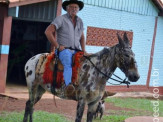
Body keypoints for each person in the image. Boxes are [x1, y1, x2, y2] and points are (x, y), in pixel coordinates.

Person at [45, 0, 87, 94]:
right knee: (67, 61)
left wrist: (84, 50)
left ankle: (84, 85)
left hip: (76, 50)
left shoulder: (80, 21)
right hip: (64, 50)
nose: (74, 9)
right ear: (67, 8)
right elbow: (48, 32)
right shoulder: (60, 19)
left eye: (76, 7)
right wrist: (57, 46)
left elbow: (82, 37)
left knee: (87, 61)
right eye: (71, 7)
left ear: (78, 9)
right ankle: (68, 86)